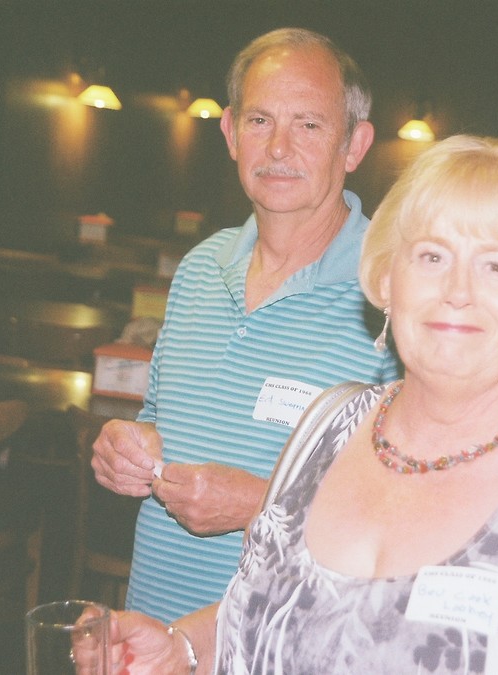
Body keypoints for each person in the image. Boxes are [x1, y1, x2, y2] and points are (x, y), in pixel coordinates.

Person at [98, 135, 498, 674]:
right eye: (432, 256)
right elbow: (280, 610)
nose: (457, 291)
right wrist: (182, 649)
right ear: (387, 279)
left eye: (497, 266)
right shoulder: (328, 427)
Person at [90, 28, 398, 623]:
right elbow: (156, 419)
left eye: (309, 125)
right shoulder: (199, 267)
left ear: (354, 145)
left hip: (287, 644)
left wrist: (260, 503)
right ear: (231, 133)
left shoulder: (395, 290)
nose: (279, 147)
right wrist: (125, 447)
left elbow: (419, 505)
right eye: (260, 121)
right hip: (155, 630)